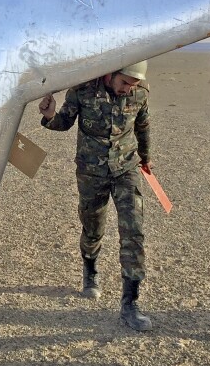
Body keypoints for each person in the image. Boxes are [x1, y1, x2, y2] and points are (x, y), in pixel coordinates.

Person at [39, 61, 153, 332]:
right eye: (125, 82)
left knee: (133, 230)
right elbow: (63, 123)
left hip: (126, 167)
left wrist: (146, 159)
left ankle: (130, 304)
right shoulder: (83, 90)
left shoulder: (140, 93)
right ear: (109, 73)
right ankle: (90, 268)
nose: (128, 89)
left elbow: (143, 127)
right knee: (93, 227)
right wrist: (49, 116)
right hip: (91, 171)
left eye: (133, 85)